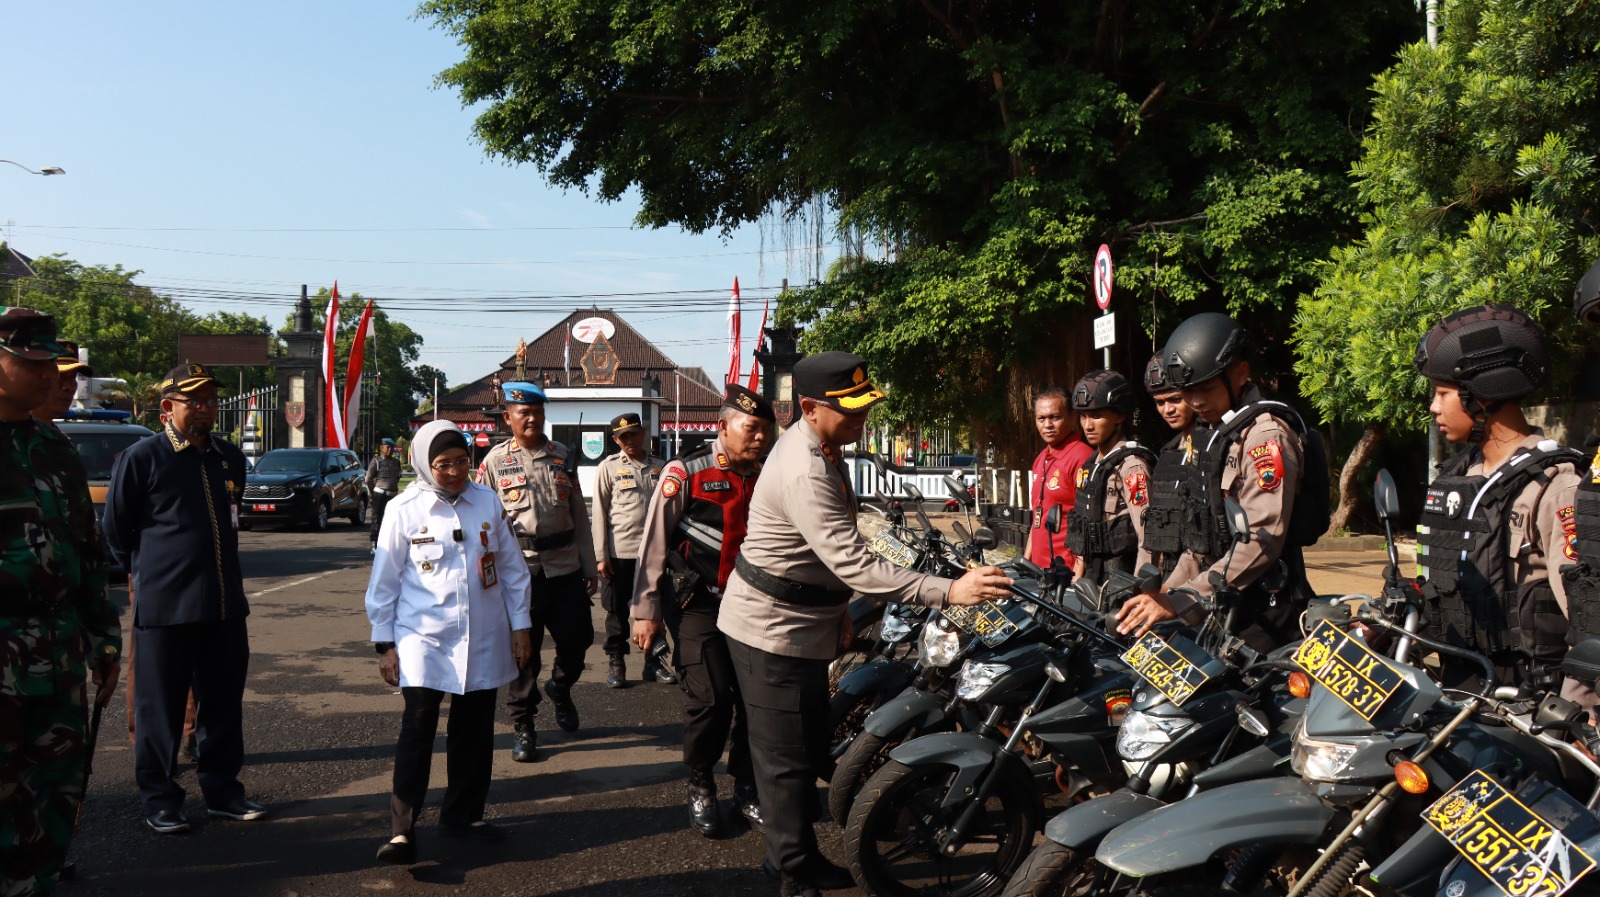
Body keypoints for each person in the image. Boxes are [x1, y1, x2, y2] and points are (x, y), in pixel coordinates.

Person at [717, 351, 1014, 897]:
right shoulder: (805, 466)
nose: (862, 418)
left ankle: (795, 858)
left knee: (803, 747)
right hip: (770, 630)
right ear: (809, 408)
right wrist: (948, 591)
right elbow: (851, 562)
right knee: (782, 763)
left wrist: (836, 615)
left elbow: (828, 556)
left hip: (803, 623)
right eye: (849, 409)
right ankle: (790, 877)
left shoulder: (822, 446)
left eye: (865, 406)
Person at [103, 361, 266, 833]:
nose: (205, 408)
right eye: (193, 400)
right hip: (166, 607)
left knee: (222, 706)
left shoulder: (228, 457)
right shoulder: (143, 458)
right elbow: (117, 530)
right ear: (167, 407)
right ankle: (160, 798)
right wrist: (152, 571)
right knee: (160, 711)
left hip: (223, 606)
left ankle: (222, 791)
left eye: (211, 400)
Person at [365, 420, 534, 865]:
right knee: (418, 729)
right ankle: (402, 831)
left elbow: (513, 569)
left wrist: (521, 627)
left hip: (483, 635)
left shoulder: (487, 502)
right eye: (444, 465)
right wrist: (384, 643)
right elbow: (384, 582)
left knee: (474, 730)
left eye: (462, 461)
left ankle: (463, 815)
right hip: (422, 638)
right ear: (424, 464)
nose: (456, 471)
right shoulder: (403, 510)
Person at [1116, 313, 1327, 654]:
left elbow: (1263, 537)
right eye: (1188, 392)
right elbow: (1202, 542)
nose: (1196, 401)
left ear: (1241, 373)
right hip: (1220, 601)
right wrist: (1165, 595)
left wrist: (1186, 597)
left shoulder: (1264, 435)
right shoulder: (1215, 435)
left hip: (1263, 611)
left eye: (1206, 389)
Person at [0, 308, 121, 897]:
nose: (50, 375)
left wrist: (104, 637)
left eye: (52, 361)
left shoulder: (53, 446)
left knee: (55, 796)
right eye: (32, 361)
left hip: (59, 656)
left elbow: (87, 551)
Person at [1412, 305, 1581, 688]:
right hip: (1459, 685)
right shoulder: (1459, 476)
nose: (1434, 407)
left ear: (1481, 396)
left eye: (1442, 393)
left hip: (1526, 700)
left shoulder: (1556, 486)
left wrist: (1574, 716)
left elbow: (1587, 621)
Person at [633, 385, 774, 838]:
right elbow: (654, 543)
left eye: (765, 432)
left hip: (756, 607)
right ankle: (700, 782)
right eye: (751, 429)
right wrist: (645, 610)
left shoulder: (770, 473)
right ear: (723, 427)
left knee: (757, 702)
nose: (759, 439)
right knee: (711, 699)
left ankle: (747, 788)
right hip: (700, 604)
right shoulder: (686, 472)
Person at [477, 380, 598, 762]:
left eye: (538, 412)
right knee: (523, 654)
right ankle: (524, 724)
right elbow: (484, 522)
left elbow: (579, 515)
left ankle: (561, 687)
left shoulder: (562, 456)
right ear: (509, 418)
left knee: (578, 642)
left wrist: (589, 563)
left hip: (564, 567)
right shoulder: (495, 462)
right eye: (524, 413)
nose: (532, 418)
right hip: (519, 574)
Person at [591, 412, 671, 688]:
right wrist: (600, 557)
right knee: (615, 613)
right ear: (616, 440)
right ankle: (616, 662)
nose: (630, 441)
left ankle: (653, 663)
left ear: (644, 434)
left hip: (654, 555)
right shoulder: (609, 467)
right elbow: (599, 514)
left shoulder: (662, 468)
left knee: (653, 610)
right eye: (623, 437)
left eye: (634, 434)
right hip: (619, 554)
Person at [1063, 370, 1155, 586]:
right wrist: (1077, 578)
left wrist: (1142, 589)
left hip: (1120, 583)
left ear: (1119, 416)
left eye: (1097, 416)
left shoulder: (1132, 467)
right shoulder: (1092, 465)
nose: (1088, 425)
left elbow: (1147, 537)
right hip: (1091, 582)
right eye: (1083, 416)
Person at [1140, 350, 1201, 578]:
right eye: (1160, 402)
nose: (1168, 410)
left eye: (1176, 399)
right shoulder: (1169, 452)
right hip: (1170, 573)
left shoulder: (1213, 446)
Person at [1026, 386, 1094, 569]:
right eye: (1041, 418)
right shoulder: (1041, 459)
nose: (1047, 425)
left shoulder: (1081, 457)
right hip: (1039, 571)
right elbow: (1037, 517)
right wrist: (1026, 563)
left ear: (1072, 418)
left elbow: (1087, 523)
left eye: (1055, 417)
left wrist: (1077, 579)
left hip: (1065, 572)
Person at [29, 338, 87, 423]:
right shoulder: (8, 434)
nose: (70, 387)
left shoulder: (54, 433)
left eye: (73, 376)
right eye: (59, 376)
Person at [366, 438, 403, 553]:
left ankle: (389, 545)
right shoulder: (377, 461)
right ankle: (374, 544)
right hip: (380, 494)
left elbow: (397, 479)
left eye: (391, 447)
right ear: (382, 448)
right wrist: (374, 493)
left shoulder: (396, 462)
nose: (389, 449)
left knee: (391, 521)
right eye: (387, 447)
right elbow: (368, 479)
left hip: (392, 496)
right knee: (377, 519)